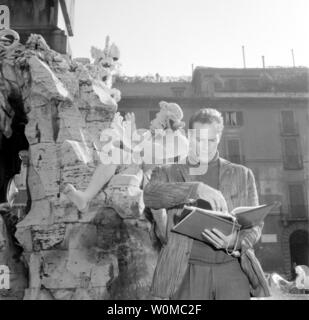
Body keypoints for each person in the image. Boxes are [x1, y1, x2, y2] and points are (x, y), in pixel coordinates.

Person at [144, 108, 270, 300]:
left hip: (233, 269)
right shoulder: (168, 171)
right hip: (185, 271)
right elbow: (150, 196)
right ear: (188, 135)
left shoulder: (242, 174)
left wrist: (234, 241)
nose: (204, 146)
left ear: (219, 138)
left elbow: (254, 225)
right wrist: (195, 189)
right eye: (198, 140)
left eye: (210, 140)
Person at [63, 101, 188, 220]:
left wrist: (129, 134)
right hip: (138, 169)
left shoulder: (180, 141)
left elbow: (154, 155)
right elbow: (132, 148)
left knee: (119, 154)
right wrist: (122, 132)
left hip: (152, 181)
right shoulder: (149, 135)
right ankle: (85, 198)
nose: (153, 120)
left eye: (157, 117)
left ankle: (87, 197)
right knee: (115, 151)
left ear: (166, 120)